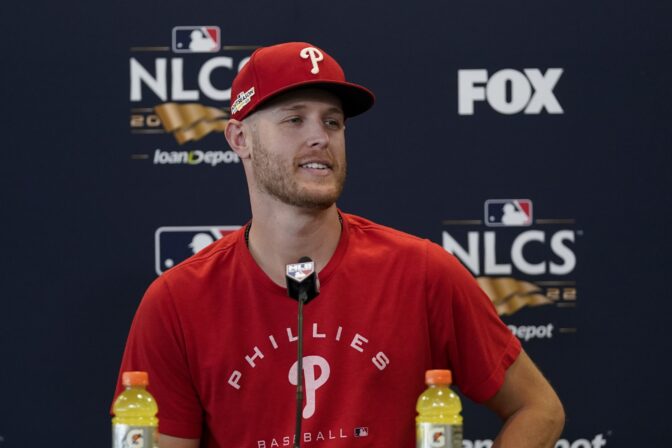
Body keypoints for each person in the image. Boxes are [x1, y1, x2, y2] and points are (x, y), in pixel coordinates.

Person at [114, 42, 565, 448]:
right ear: (239, 139)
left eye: (332, 122)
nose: (320, 137)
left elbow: (538, 408)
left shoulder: (422, 271)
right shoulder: (177, 301)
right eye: (295, 119)